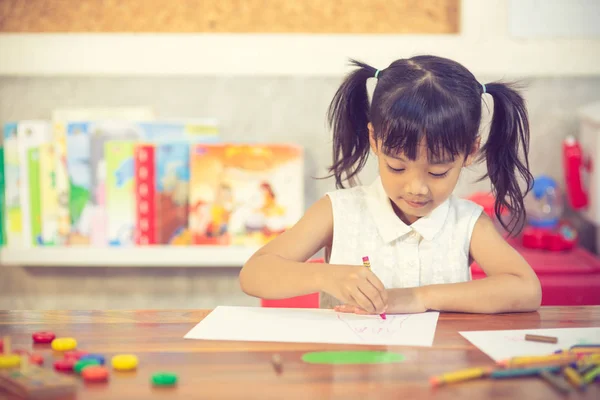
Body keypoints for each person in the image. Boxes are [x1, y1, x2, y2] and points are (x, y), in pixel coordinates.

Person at [239, 55, 542, 315]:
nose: (417, 188)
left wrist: (418, 297)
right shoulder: (339, 211)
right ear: (374, 140)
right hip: (348, 374)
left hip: (435, 376)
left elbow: (527, 289)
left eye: (438, 172)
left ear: (469, 152)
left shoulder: (467, 222)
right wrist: (325, 276)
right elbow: (254, 274)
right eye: (397, 167)